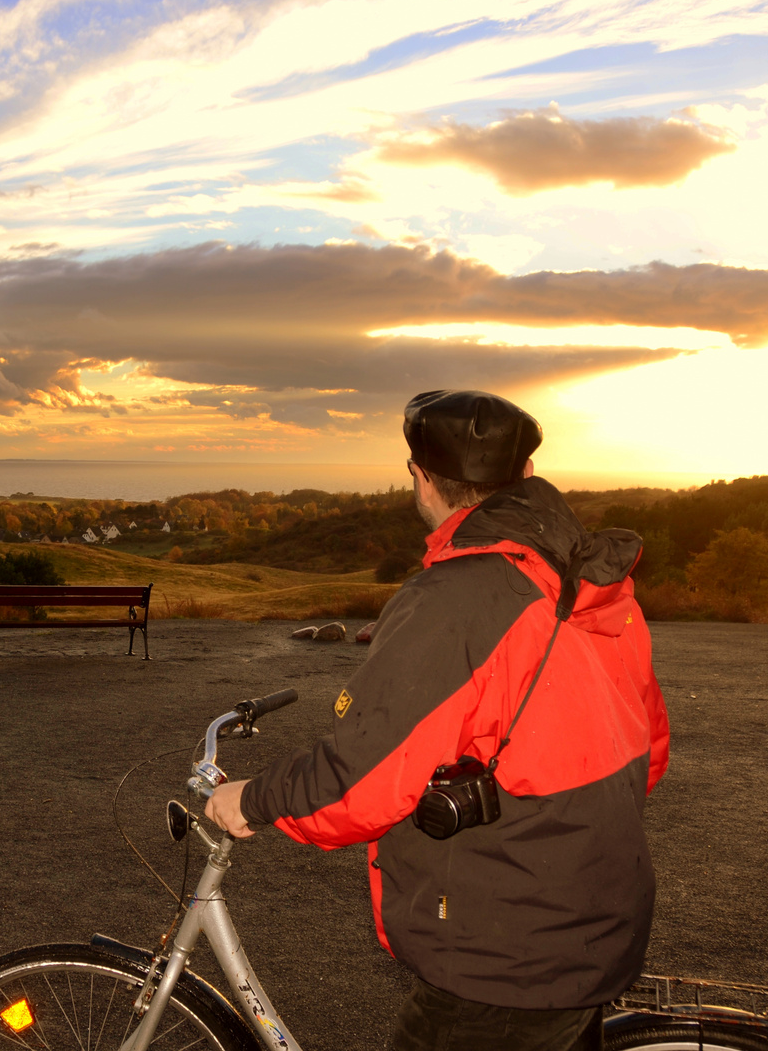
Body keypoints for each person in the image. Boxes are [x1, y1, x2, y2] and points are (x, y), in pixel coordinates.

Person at [205, 389, 671, 1051]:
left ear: (421, 480)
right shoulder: (586, 575)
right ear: (527, 476)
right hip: (596, 911)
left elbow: (360, 782)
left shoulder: (456, 597)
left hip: (507, 950)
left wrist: (251, 800)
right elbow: (647, 746)